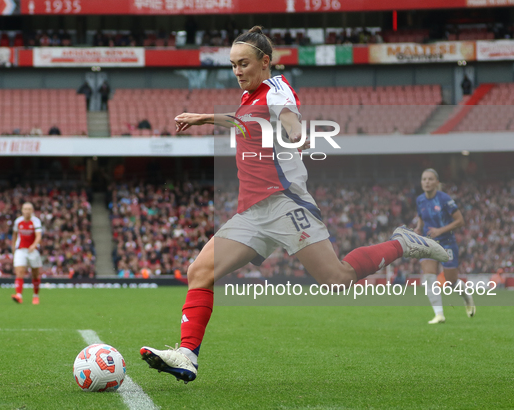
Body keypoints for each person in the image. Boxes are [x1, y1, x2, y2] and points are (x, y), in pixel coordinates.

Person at [139, 26, 449, 384]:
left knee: (337, 279)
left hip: (285, 204)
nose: (237, 71)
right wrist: (204, 118)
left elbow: (289, 117)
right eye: (233, 65)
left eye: (244, 64)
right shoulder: (250, 96)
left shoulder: (276, 89)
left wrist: (296, 133)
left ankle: (403, 243)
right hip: (253, 212)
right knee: (199, 272)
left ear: (265, 62)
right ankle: (188, 355)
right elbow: (243, 121)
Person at [415, 168, 475, 324]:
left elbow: (460, 221)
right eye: (424, 179)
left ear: (436, 182)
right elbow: (421, 218)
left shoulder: (444, 199)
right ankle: (439, 314)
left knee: (450, 281)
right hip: (428, 242)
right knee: (429, 277)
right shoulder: (420, 200)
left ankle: (467, 298)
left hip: (447, 242)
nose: (427, 182)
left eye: (430, 179)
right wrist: (417, 228)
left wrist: (440, 230)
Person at [11, 202, 43, 305]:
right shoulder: (18, 221)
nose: (27, 211)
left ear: (32, 210)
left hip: (33, 250)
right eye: (25, 209)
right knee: (19, 272)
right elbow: (15, 235)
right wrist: (13, 248)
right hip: (21, 250)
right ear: (22, 210)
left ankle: (35, 296)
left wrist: (34, 245)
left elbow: (38, 235)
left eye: (29, 209)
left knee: (35, 274)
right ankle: (19, 295)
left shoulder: (36, 221)